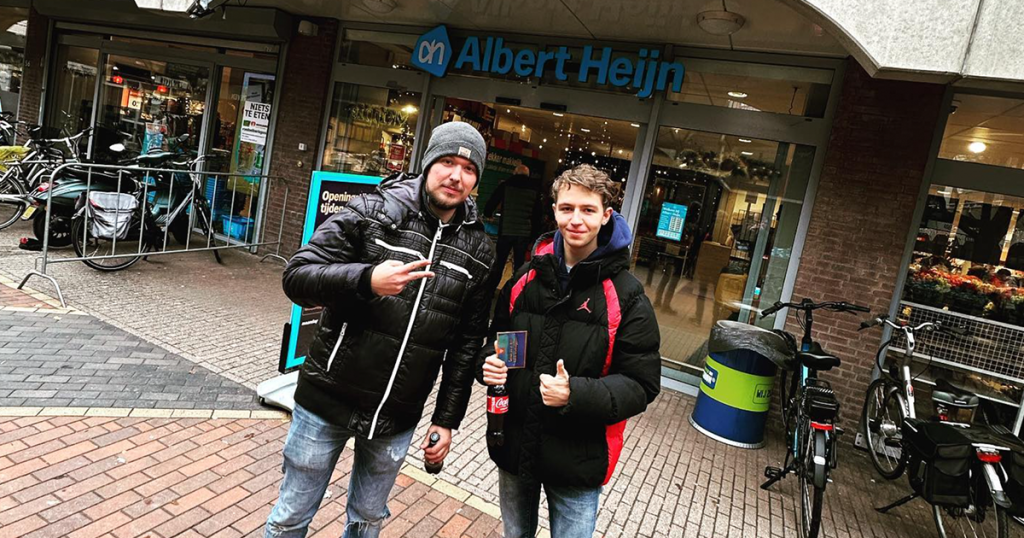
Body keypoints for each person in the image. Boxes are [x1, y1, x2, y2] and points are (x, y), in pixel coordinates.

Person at [265, 121, 496, 538]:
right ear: (428, 164)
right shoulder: (373, 210)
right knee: (291, 517)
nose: (456, 176)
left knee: (368, 520)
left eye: (468, 168)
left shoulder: (479, 248)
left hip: (397, 415)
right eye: (447, 162)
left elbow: (466, 345)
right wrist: (366, 279)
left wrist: (446, 420)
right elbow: (297, 277)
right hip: (326, 400)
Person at [478, 164, 662, 538]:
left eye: (588, 210)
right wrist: (490, 363)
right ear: (554, 210)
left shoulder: (627, 296)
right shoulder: (526, 279)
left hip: (578, 458)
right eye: (567, 208)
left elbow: (641, 384)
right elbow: (502, 342)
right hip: (515, 445)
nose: (576, 220)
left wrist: (574, 393)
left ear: (606, 215)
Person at [483, 164, 544, 294]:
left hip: (506, 230)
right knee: (519, 266)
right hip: (524, 233)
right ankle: (514, 294)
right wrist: (533, 237)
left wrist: (488, 213)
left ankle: (489, 293)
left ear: (515, 173)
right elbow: (538, 215)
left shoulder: (506, 184)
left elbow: (491, 202)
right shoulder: (534, 189)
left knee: (499, 264)